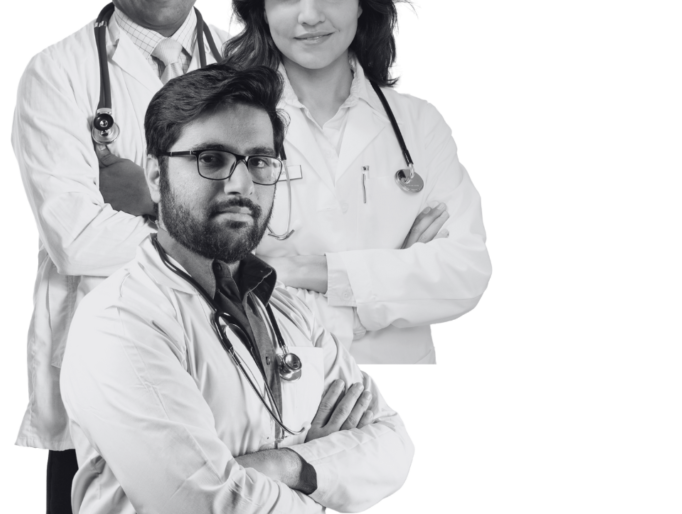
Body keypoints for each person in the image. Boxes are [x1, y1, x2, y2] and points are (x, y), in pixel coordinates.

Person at [59, 64, 415, 513]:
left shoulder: (289, 310)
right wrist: (328, 483)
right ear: (155, 176)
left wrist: (290, 466)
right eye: (211, 159)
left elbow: (393, 446)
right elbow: (205, 507)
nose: (241, 184)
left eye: (259, 162)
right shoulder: (120, 323)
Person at [11, 0, 231, 513]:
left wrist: (149, 207)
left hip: (232, 370)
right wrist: (217, 234)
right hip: (103, 372)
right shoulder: (57, 73)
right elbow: (80, 241)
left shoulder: (251, 66)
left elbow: (288, 226)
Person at [224, 0, 492, 366]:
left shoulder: (418, 122)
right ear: (261, 6)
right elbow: (221, 285)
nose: (310, 15)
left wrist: (310, 270)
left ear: (361, 0)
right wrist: (386, 282)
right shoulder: (225, 127)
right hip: (276, 385)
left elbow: (466, 273)